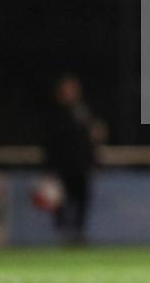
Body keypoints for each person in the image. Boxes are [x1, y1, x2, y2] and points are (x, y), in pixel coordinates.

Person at [44, 74, 107, 244]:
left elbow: (91, 138)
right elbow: (50, 142)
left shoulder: (83, 111)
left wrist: (94, 160)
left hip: (81, 165)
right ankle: (62, 234)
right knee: (61, 202)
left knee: (83, 200)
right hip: (63, 166)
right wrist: (49, 167)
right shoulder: (55, 114)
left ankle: (79, 234)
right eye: (67, 89)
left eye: (73, 89)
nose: (71, 92)